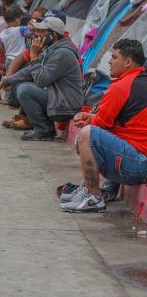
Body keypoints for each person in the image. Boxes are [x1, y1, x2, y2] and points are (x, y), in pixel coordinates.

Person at [61, 39, 147, 212]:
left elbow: (101, 126)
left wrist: (90, 120)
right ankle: (105, 190)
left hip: (137, 166)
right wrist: (91, 116)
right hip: (140, 161)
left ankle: (93, 196)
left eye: (114, 57)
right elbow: (123, 122)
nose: (109, 61)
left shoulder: (121, 87)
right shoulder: (140, 81)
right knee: (112, 134)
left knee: (87, 135)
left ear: (128, 62)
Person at [0, 16, 83, 141]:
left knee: (24, 89)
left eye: (41, 32)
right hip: (58, 97)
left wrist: (34, 56)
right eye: (37, 31)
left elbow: (41, 80)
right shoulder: (52, 49)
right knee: (19, 85)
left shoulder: (62, 53)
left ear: (53, 35)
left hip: (65, 103)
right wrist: (4, 82)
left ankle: (43, 129)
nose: (36, 35)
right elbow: (28, 72)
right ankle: (39, 124)